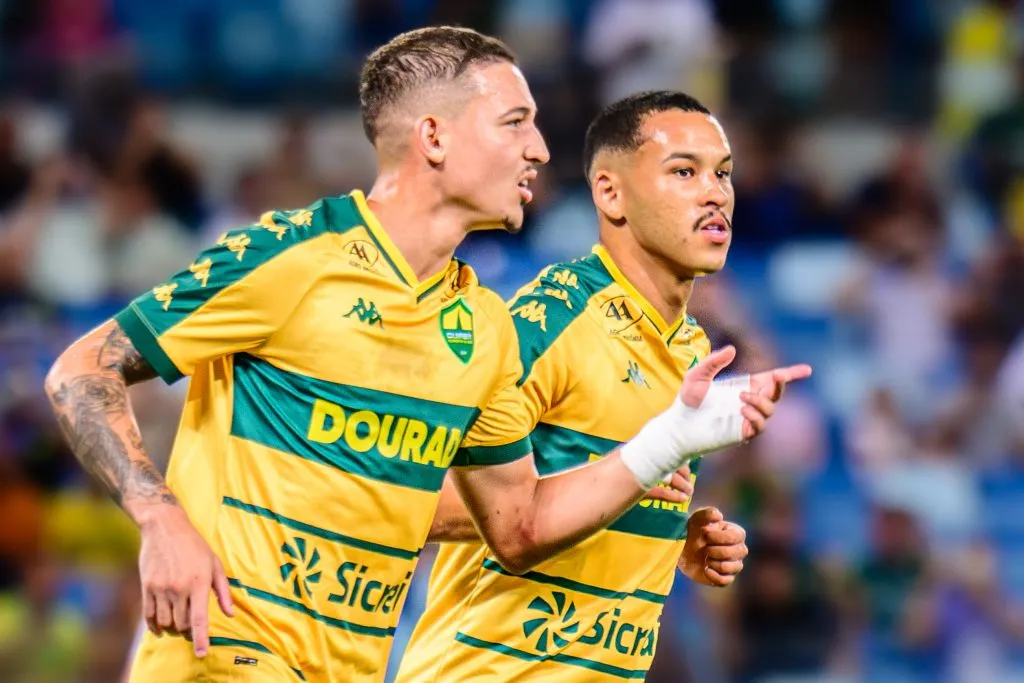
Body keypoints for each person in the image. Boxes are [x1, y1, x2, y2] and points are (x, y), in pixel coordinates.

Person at [44, 28, 807, 683]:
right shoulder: (296, 254)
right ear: (435, 137)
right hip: (221, 651)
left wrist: (658, 462)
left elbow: (516, 525)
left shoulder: (480, 326)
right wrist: (161, 518)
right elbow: (82, 369)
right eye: (515, 122)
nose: (540, 148)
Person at [397, 90, 757, 682]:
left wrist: (672, 540)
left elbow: (603, 495)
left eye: (722, 173)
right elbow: (408, 494)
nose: (714, 192)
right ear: (610, 194)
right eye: (684, 171)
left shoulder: (691, 348)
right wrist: (625, 482)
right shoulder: (552, 319)